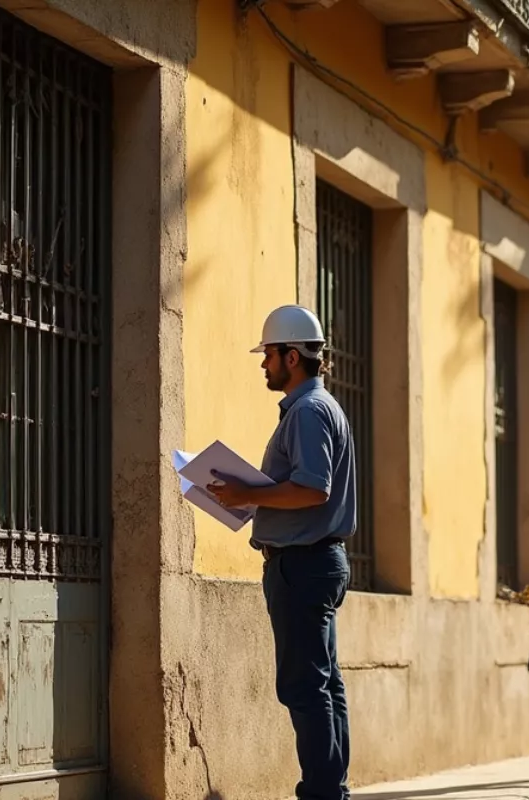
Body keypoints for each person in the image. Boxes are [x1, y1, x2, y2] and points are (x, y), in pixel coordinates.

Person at [209, 305, 357, 800]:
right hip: (314, 563)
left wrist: (248, 494)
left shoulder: (309, 411)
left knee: (305, 688)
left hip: (303, 566)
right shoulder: (321, 408)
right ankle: (330, 788)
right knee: (323, 685)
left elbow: (313, 489)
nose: (263, 364)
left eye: (269, 354)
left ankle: (322, 793)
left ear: (292, 356)